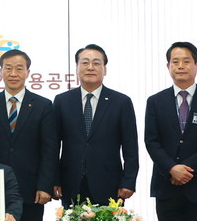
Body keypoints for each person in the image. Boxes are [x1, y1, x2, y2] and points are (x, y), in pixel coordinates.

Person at [145, 42, 197, 221]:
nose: (180, 66)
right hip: (167, 186)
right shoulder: (155, 102)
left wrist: (187, 169)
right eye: (175, 62)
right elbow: (152, 141)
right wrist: (172, 169)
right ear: (168, 66)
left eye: (186, 61)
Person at [53, 44, 139, 208]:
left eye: (96, 63)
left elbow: (131, 148)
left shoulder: (121, 102)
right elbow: (53, 145)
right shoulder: (62, 101)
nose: (90, 67)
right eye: (85, 63)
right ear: (77, 68)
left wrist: (128, 181)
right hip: (70, 183)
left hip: (109, 183)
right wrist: (55, 179)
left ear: (105, 69)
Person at [0, 49, 58, 221]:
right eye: (8, 68)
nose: (13, 73)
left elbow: (50, 150)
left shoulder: (43, 105)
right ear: (1, 71)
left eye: (19, 68)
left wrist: (45, 186)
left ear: (28, 72)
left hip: (31, 189)